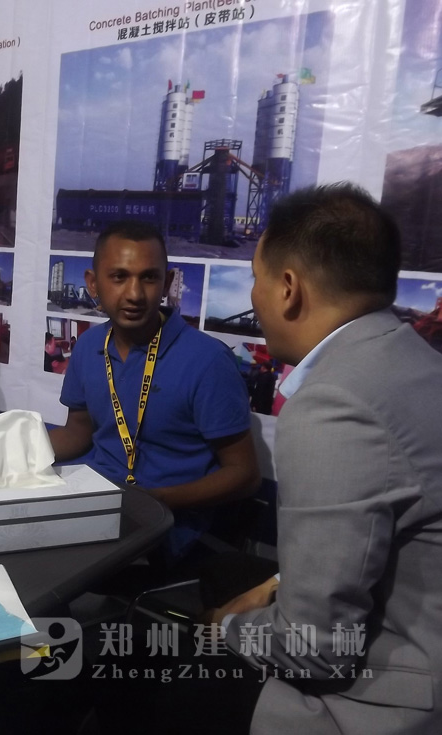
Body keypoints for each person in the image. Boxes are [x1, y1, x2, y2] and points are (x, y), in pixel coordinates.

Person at [210, 183, 442, 733]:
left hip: (388, 701)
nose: (254, 294)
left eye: (256, 277)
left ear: (289, 289)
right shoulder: (413, 357)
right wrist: (278, 585)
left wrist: (223, 627)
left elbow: (313, 648)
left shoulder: (334, 404)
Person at [49, 220, 260, 560]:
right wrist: (17, 451)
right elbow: (77, 433)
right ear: (93, 283)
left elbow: (245, 475)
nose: (134, 294)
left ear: (167, 282)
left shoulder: (208, 360)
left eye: (148, 277)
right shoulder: (88, 345)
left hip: (166, 525)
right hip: (93, 504)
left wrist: (156, 500)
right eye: (119, 277)